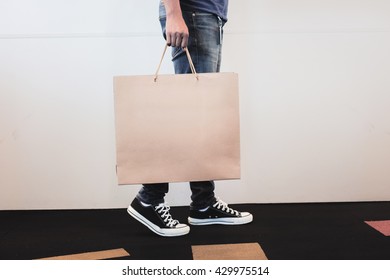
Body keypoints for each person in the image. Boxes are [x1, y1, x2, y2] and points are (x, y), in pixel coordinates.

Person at [127, 0, 253, 237]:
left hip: (205, 15)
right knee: (187, 116)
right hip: (192, 13)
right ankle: (149, 198)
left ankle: (203, 203)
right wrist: (174, 13)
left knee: (199, 119)